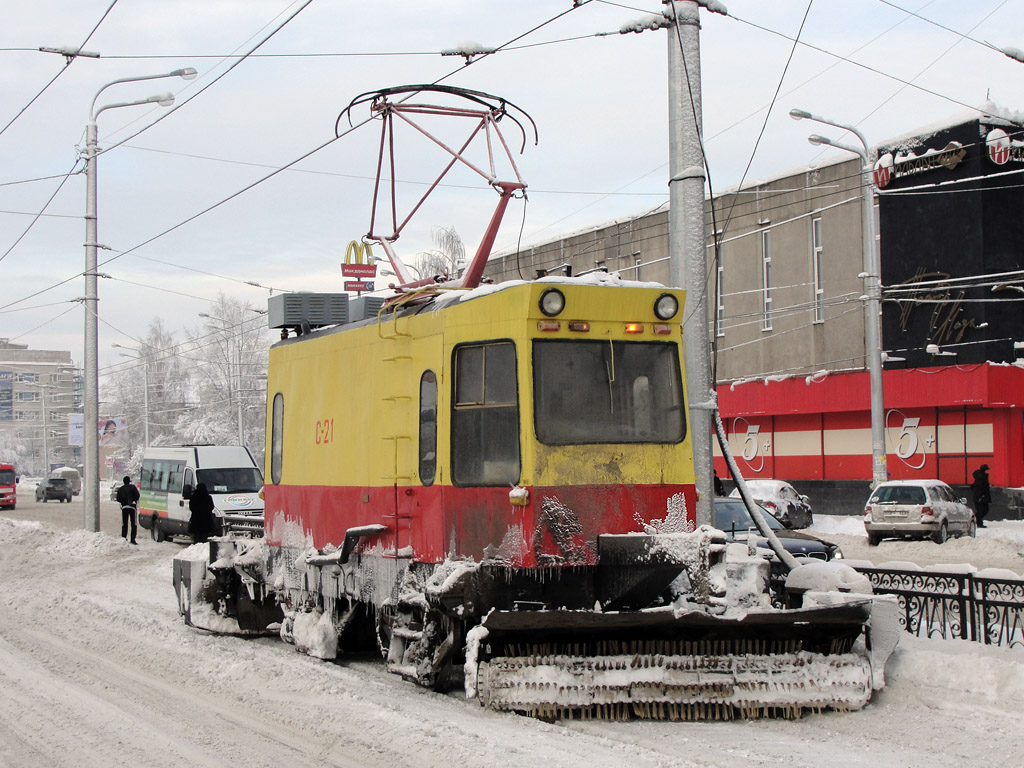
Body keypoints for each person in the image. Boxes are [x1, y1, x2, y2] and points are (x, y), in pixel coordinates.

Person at [115, 475, 140, 545]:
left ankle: (124, 537)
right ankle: (132, 539)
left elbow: (118, 499)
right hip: (132, 507)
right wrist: (133, 500)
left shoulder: (121, 489)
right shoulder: (133, 487)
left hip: (124, 507)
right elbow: (137, 496)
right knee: (133, 524)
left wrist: (123, 501)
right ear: (129, 481)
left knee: (124, 523)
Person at [970, 464, 991, 528]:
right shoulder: (980, 478)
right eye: (987, 470)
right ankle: (979, 523)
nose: (988, 471)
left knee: (985, 509)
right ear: (984, 470)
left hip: (983, 497)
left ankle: (976, 519)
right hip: (979, 497)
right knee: (981, 511)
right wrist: (980, 496)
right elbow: (977, 487)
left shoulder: (983, 477)